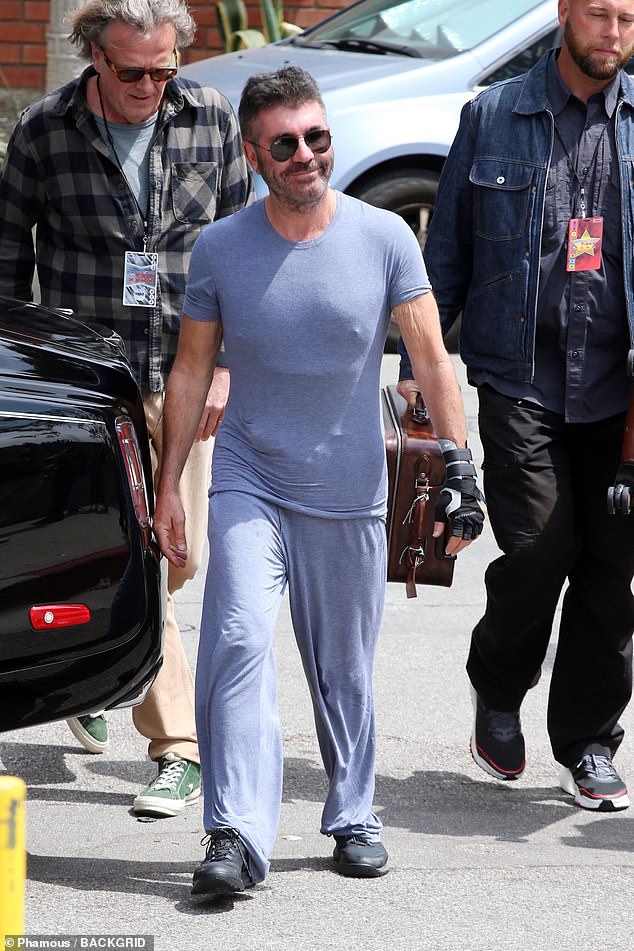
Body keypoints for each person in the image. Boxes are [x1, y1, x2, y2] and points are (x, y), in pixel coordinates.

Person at [153, 65, 484, 896]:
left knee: (343, 667)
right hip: (250, 476)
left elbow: (431, 358)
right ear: (253, 155)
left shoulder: (384, 237)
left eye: (317, 137)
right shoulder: (222, 247)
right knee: (235, 638)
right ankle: (234, 832)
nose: (306, 154)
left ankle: (354, 813)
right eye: (285, 144)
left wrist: (461, 466)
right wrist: (166, 484)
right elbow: (190, 371)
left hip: (347, 486)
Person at [0, 0, 252, 815]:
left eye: (163, 70)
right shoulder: (44, 131)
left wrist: (230, 364)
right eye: (133, 71)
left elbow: (247, 247)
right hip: (88, 389)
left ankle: (95, 668)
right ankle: (178, 746)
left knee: (182, 555)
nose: (150, 85)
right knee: (147, 550)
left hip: (187, 371)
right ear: (95, 58)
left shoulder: (210, 118)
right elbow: (7, 265)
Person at [399, 0, 634, 812]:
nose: (613, 33)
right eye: (599, 15)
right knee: (537, 552)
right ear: (565, 12)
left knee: (612, 571)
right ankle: (498, 688)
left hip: (621, 392)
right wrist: (418, 368)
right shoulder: (493, 116)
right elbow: (446, 252)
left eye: (628, 19)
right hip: (519, 377)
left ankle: (590, 740)